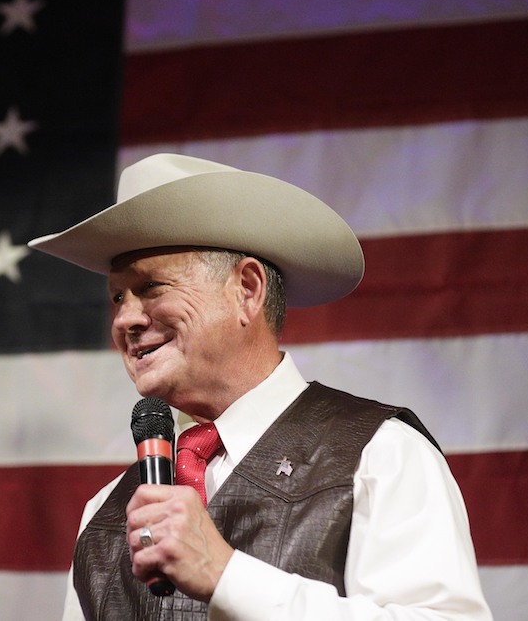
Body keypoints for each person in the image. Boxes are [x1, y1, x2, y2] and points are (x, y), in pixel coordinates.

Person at [28, 153, 492, 621]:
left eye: (151, 287)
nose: (125, 318)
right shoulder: (104, 516)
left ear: (246, 290)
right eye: (116, 297)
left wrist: (227, 576)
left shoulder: (380, 456)